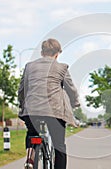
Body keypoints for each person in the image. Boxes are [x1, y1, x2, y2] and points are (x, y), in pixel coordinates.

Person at [18, 38, 80, 169]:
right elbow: (71, 89)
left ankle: (30, 157)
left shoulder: (29, 66)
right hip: (54, 112)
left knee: (32, 133)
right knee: (59, 146)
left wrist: (22, 104)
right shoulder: (62, 68)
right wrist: (75, 103)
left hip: (31, 111)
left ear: (42, 52)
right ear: (57, 54)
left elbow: (22, 89)